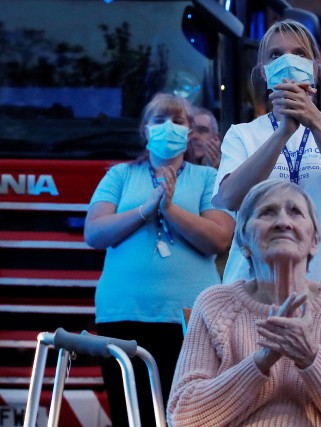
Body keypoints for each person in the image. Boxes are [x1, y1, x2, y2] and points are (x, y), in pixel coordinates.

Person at [166, 179, 321, 426]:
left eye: (295, 212)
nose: (283, 222)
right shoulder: (214, 304)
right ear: (243, 244)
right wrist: (261, 360)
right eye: (267, 212)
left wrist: (310, 356)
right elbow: (183, 417)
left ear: (315, 241)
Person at [84, 93, 235, 426]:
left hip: (189, 317)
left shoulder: (207, 178)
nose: (169, 127)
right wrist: (144, 210)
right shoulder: (120, 175)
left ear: (189, 132)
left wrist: (170, 209)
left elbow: (219, 238)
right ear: (145, 130)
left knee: (187, 415)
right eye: (159, 120)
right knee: (131, 416)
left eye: (178, 121)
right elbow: (94, 232)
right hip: (123, 313)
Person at [213, 19, 321, 286]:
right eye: (276, 55)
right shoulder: (241, 134)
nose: (288, 61)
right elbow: (231, 198)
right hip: (252, 289)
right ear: (265, 72)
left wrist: (314, 122)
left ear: (314, 69)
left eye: (299, 53)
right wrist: (282, 133)